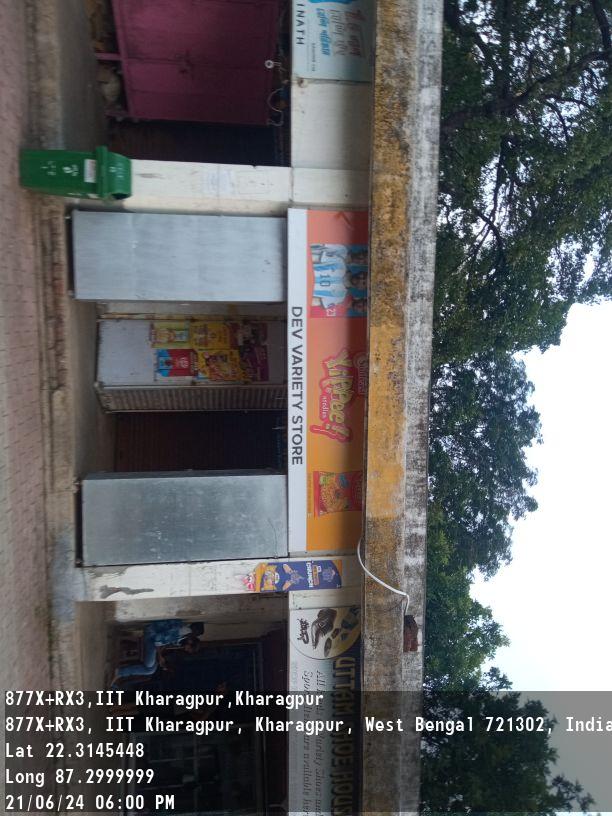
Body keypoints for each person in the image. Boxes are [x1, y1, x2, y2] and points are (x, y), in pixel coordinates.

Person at [111, 620, 204, 687]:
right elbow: (157, 640)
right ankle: (120, 672)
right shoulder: (180, 632)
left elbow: (163, 643)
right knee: (149, 665)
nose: (186, 649)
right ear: (190, 641)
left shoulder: (183, 636)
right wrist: (159, 656)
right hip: (151, 635)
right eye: (188, 648)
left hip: (154, 640)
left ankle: (120, 672)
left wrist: (161, 657)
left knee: (151, 670)